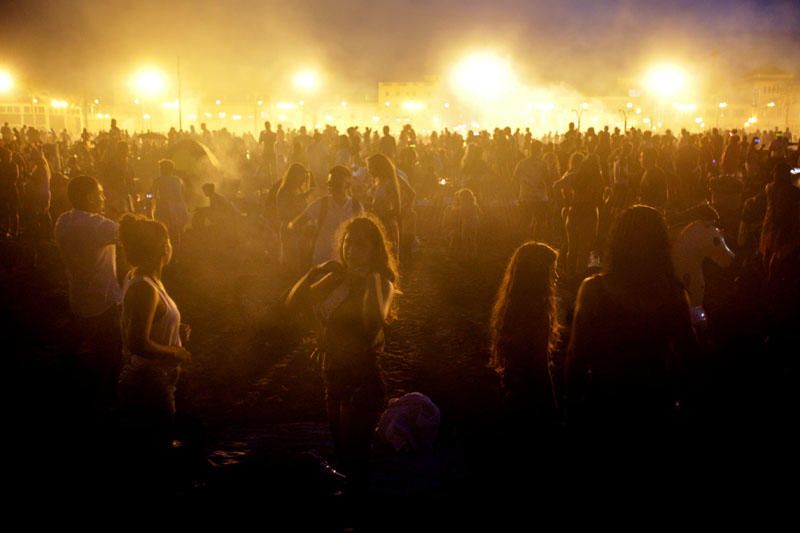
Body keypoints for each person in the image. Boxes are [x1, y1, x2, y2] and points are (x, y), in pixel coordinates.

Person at [286, 215, 397, 493]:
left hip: (361, 383)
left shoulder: (381, 282)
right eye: (348, 242)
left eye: (361, 244)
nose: (352, 249)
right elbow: (293, 304)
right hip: (333, 377)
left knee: (355, 456)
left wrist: (367, 280)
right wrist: (316, 272)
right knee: (342, 452)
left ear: (374, 250)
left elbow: (374, 322)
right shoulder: (336, 278)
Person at [566, 205, 696, 434]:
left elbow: (576, 359)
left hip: (605, 405)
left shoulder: (593, 291)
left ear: (617, 243)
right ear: (661, 246)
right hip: (656, 406)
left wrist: (573, 411)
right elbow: (690, 358)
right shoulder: (674, 294)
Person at [118, 214, 190, 441]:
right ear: (161, 248)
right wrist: (175, 351)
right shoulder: (144, 288)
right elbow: (137, 342)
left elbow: (142, 321)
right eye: (168, 240)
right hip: (148, 382)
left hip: (156, 378)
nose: (172, 245)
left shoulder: (145, 279)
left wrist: (173, 327)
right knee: (158, 445)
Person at [54, 175, 123, 412]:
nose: (103, 197)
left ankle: (74, 398)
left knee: (79, 350)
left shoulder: (63, 220)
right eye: (100, 193)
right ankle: (103, 406)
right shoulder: (97, 225)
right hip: (105, 301)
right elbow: (134, 235)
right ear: (88, 196)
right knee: (110, 359)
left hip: (79, 296)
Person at [490, 241, 560, 421]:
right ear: (538, 275)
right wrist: (552, 405)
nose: (556, 276)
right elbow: (541, 366)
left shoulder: (512, 308)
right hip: (532, 396)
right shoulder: (538, 313)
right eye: (552, 270)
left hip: (513, 389)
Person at [289, 165, 364, 266]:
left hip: (346, 262)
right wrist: (305, 240)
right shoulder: (321, 204)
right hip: (322, 260)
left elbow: (363, 234)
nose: (332, 187)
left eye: (337, 184)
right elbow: (295, 224)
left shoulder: (356, 206)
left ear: (347, 184)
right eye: (330, 184)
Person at [368, 153, 401, 261]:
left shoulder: (389, 184)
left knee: (388, 258)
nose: (369, 170)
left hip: (387, 225)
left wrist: (381, 215)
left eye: (371, 167)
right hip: (377, 223)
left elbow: (397, 209)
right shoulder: (378, 183)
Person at [151, 159, 189, 249]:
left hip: (164, 207)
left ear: (163, 169)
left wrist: (151, 199)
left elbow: (152, 193)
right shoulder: (178, 180)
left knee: (162, 228)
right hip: (178, 207)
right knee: (176, 229)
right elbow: (183, 193)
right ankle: (177, 249)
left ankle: (163, 248)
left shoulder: (158, 180)